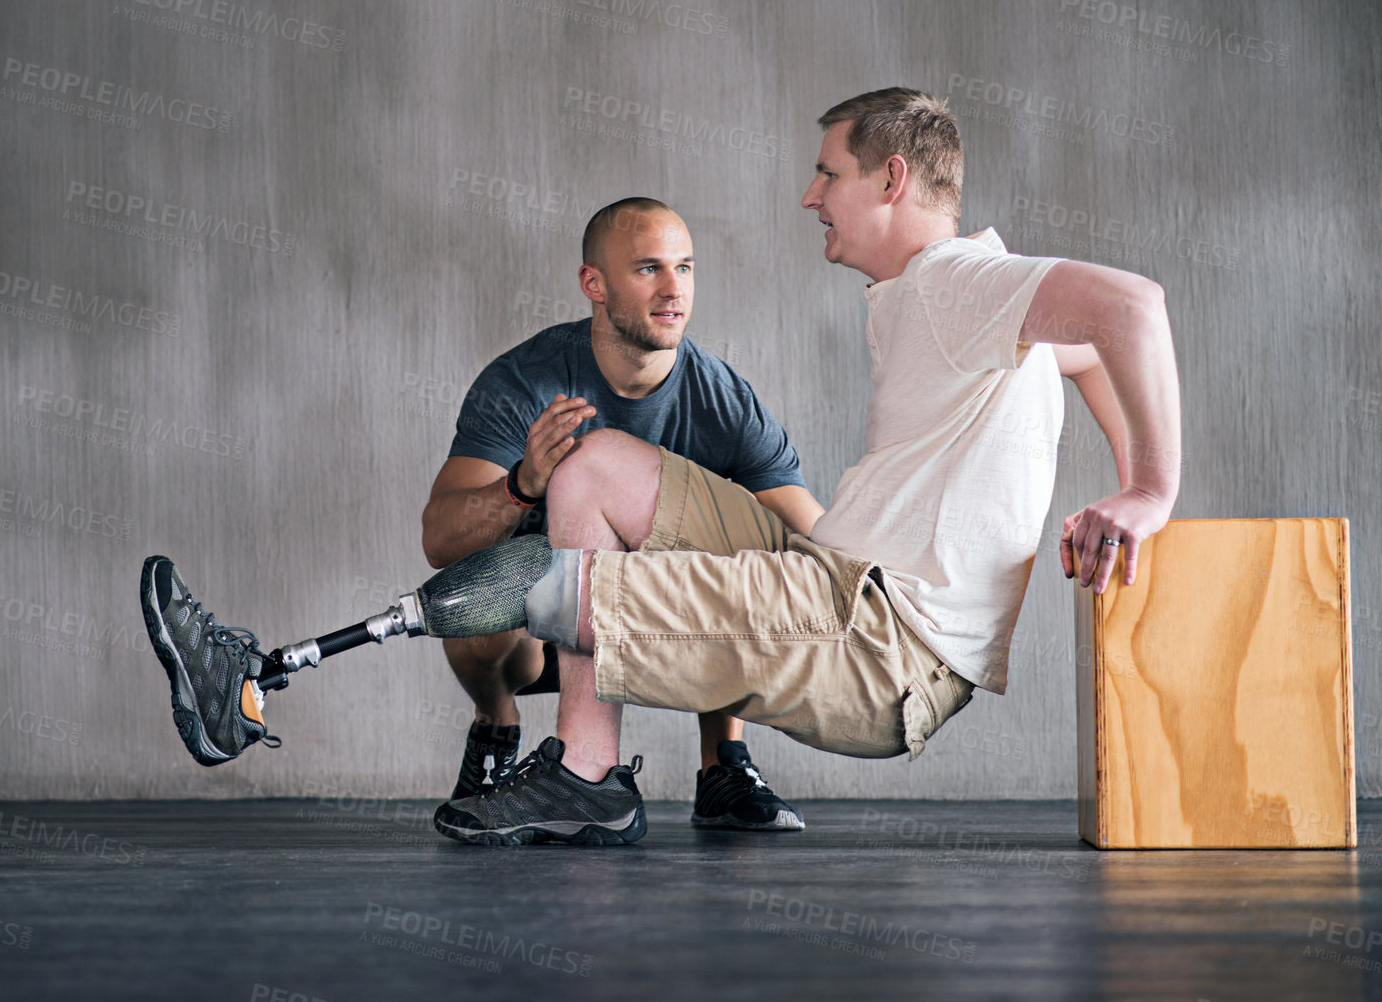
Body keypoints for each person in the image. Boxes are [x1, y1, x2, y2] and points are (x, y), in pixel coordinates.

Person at [428, 87, 1181, 845]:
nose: (808, 196)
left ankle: (589, 765)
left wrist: (1148, 490)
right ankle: (586, 774)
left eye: (828, 175)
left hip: (883, 643)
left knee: (564, 587)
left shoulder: (952, 279)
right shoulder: (936, 293)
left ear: (889, 181)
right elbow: (1084, 354)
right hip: (834, 577)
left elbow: (1132, 308)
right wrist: (1122, 483)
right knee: (591, 468)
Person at [421, 197, 824, 830]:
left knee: (749, 551)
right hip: (540, 630)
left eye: (685, 268)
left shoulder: (723, 400)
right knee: (472, 604)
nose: (674, 290)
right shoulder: (525, 381)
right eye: (648, 269)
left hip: (663, 620)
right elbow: (441, 541)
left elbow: (810, 533)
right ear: (594, 284)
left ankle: (722, 765)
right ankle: (497, 733)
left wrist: (900, 591)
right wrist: (523, 485)